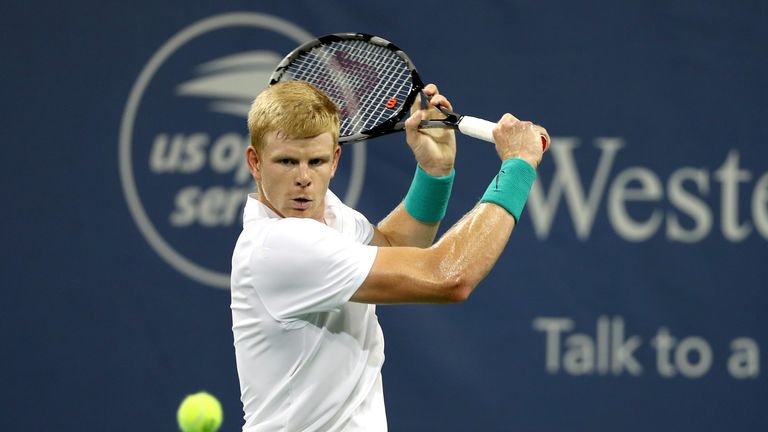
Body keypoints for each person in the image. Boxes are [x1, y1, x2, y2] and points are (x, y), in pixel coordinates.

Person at [231, 80, 549, 432]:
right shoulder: (279, 245)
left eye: (316, 161)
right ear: (255, 162)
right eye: (287, 162)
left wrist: (435, 174)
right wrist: (518, 166)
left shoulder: (329, 216)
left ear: (335, 160)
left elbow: (393, 250)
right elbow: (449, 276)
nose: (304, 178)